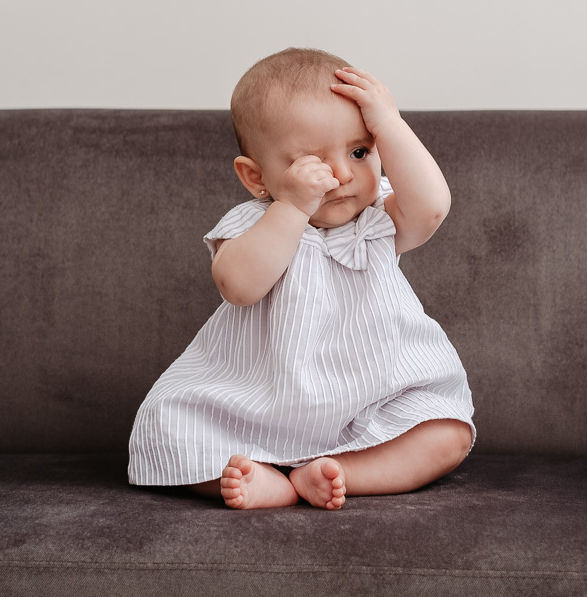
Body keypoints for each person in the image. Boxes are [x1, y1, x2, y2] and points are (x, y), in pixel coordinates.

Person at [127, 47, 475, 509]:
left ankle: (338, 471)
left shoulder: (378, 217)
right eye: (311, 163)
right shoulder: (257, 222)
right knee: (164, 426)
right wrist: (291, 208)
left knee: (448, 433)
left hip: (371, 398)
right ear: (257, 178)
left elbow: (433, 206)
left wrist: (389, 123)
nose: (342, 175)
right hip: (257, 399)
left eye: (359, 151)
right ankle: (264, 479)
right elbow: (239, 286)